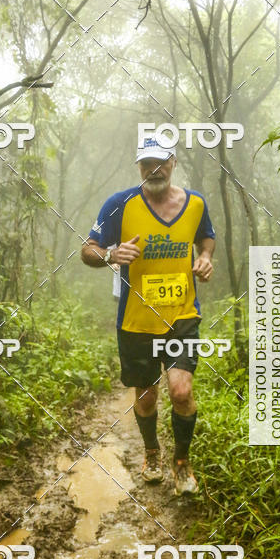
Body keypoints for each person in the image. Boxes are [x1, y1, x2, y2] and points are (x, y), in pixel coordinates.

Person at [81, 137, 215, 495]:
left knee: (181, 391)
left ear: (173, 163)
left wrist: (205, 257)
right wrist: (110, 255)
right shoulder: (119, 204)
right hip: (136, 320)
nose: (153, 170)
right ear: (138, 167)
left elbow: (206, 238)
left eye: (160, 162)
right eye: (146, 164)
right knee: (146, 396)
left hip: (182, 316)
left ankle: (182, 462)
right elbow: (87, 249)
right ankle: (152, 452)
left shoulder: (196, 204)